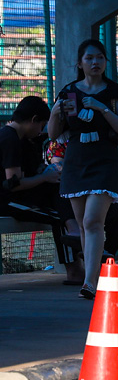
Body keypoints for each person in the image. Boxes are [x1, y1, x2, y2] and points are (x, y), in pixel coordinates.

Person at [47, 39, 118, 299]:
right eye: (89, 58)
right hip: (76, 161)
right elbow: (54, 134)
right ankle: (90, 279)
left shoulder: (114, 92)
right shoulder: (69, 92)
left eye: (100, 58)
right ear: (80, 63)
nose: (95, 62)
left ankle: (90, 282)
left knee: (92, 221)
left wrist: (103, 109)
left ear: (106, 62)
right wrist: (54, 113)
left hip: (104, 161)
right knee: (84, 226)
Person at [1, 97, 81, 282]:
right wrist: (44, 177)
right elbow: (14, 184)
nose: (40, 131)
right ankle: (74, 270)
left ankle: (78, 246)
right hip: (7, 201)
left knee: (61, 204)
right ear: (34, 119)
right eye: (42, 125)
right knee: (60, 217)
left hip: (16, 197)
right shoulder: (10, 139)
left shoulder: (18, 138)